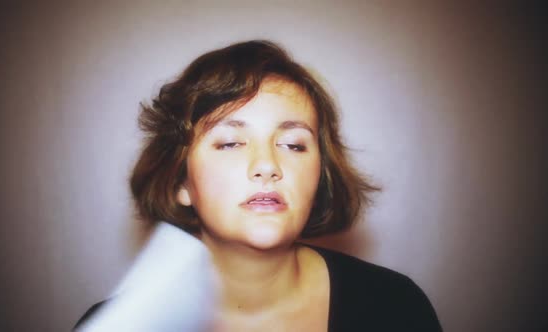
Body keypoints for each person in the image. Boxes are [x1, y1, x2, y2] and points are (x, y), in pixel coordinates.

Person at [75, 40, 442, 331]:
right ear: (180, 181)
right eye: (230, 143)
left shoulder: (394, 306)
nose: (267, 165)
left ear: (319, 176)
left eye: (294, 145)